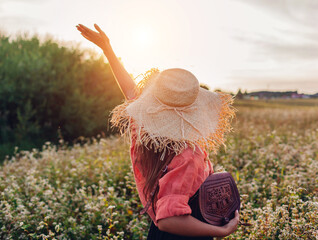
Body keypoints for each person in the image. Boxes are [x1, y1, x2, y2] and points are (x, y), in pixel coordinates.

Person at [76, 23, 239, 239]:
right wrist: (221, 231)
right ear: (192, 110)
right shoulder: (188, 155)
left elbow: (130, 91)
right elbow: (169, 220)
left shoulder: (145, 129)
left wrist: (107, 49)